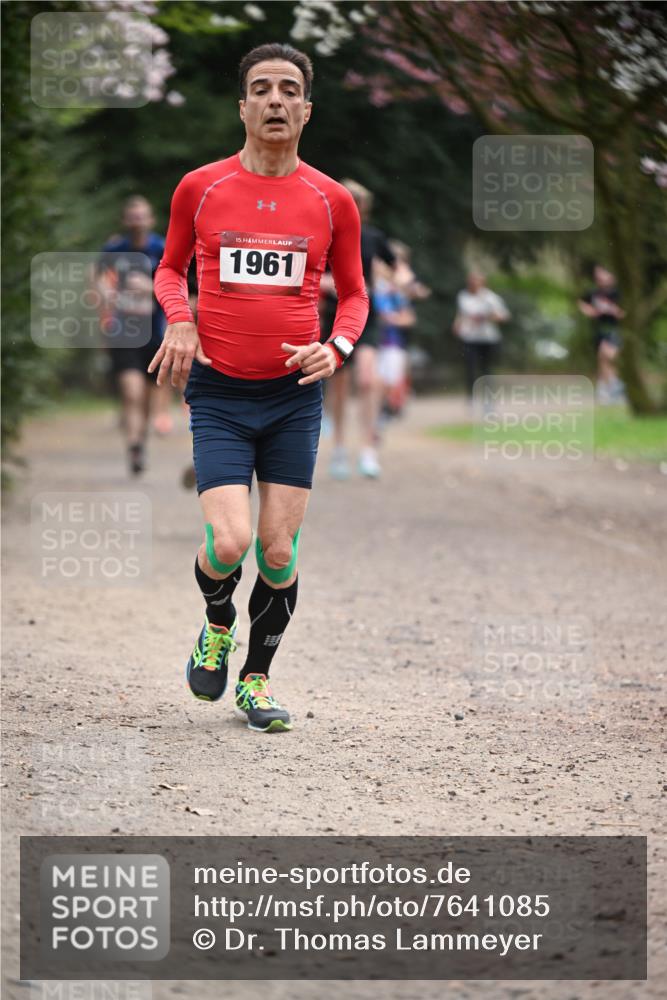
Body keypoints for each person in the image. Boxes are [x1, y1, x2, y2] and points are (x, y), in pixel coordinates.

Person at [151, 43, 368, 733]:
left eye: (288, 89)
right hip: (217, 392)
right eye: (261, 89)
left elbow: (357, 296)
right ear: (242, 106)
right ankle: (217, 624)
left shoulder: (331, 200)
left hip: (292, 397)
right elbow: (167, 270)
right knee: (229, 541)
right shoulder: (201, 187)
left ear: (306, 108)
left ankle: (255, 680)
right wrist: (180, 321)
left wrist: (335, 347)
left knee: (277, 551)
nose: (275, 100)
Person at [98, 196, 171, 475]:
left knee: (148, 397)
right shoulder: (114, 249)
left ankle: (141, 438)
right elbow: (98, 278)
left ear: (151, 220)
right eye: (132, 217)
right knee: (131, 392)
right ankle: (134, 445)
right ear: (125, 221)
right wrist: (105, 293)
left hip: (154, 333)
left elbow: (177, 289)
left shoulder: (162, 248)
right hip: (124, 333)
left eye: (142, 216)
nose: (137, 222)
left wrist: (150, 288)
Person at [328, 180, 395, 480]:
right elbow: (306, 274)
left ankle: (368, 449)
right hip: (333, 316)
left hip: (363, 315)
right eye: (348, 199)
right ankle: (340, 448)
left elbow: (397, 267)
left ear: (364, 207)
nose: (353, 205)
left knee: (367, 379)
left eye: (358, 201)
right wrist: (327, 284)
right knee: (339, 387)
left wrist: (398, 282)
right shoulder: (324, 234)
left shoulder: (373, 236)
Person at [452, 271, 510, 399]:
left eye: (477, 280)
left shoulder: (490, 297)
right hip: (469, 337)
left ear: (483, 282)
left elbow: (503, 316)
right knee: (470, 369)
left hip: (487, 338)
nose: (474, 283)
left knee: (487, 369)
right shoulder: (463, 296)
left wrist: (488, 317)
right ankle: (471, 398)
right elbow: (461, 313)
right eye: (472, 280)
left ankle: (488, 399)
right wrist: (457, 324)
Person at [578, 266, 625, 404]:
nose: (601, 279)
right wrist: (590, 311)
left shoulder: (617, 293)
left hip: (615, 328)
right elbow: (581, 302)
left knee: (609, 356)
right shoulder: (594, 293)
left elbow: (624, 312)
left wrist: (613, 311)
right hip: (600, 329)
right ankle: (608, 388)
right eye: (598, 277)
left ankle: (615, 385)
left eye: (603, 276)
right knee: (602, 359)